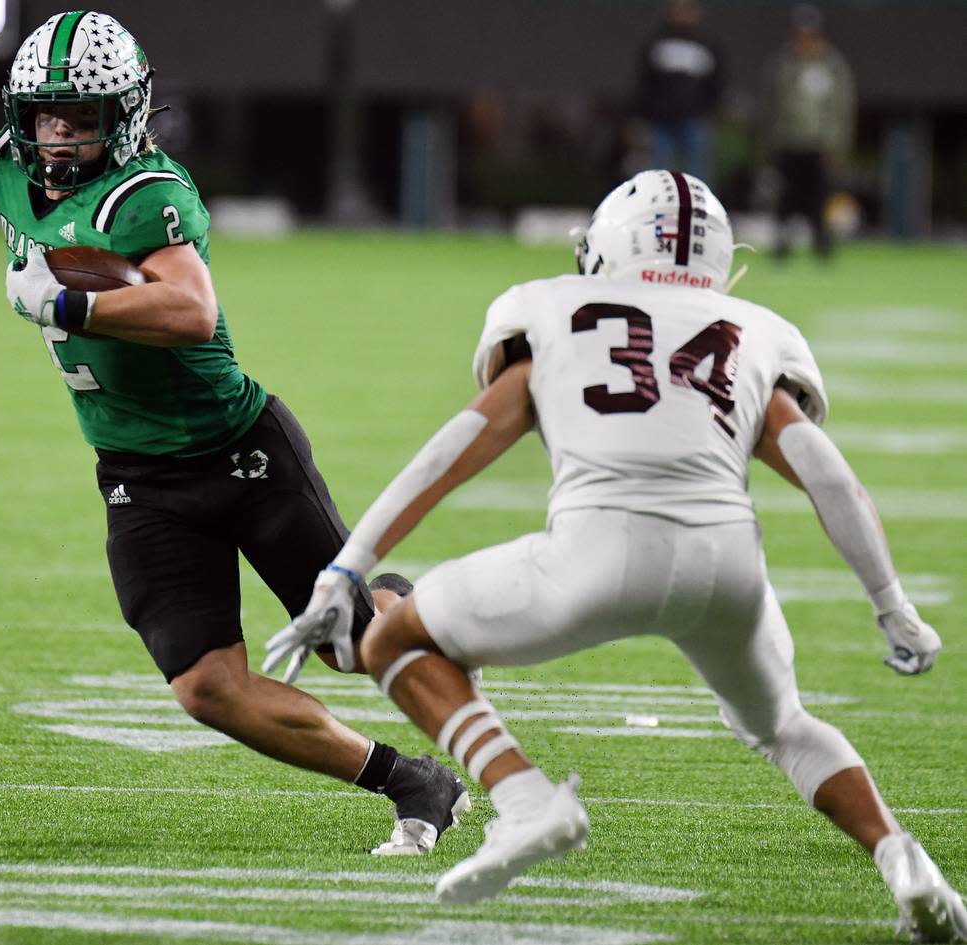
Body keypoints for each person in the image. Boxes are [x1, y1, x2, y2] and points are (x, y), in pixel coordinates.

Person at [266, 169, 967, 940]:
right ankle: (905, 862)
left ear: (605, 247)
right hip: (725, 567)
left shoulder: (552, 313)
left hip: (593, 556)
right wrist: (892, 604)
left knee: (393, 636)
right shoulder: (749, 335)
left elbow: (455, 450)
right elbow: (830, 478)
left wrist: (347, 565)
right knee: (785, 726)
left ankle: (525, 799)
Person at [0, 13, 468, 856]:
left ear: (127, 115)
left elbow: (191, 311)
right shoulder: (12, 171)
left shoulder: (149, 193)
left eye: (81, 116)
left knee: (355, 649)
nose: (60, 133)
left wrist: (65, 301)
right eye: (46, 115)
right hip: (139, 477)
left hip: (240, 453)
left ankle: (413, 610)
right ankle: (408, 778)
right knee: (205, 687)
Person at [760, 4, 855, 259]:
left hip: (819, 144)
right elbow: (772, 103)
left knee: (819, 197)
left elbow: (841, 107)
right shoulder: (783, 63)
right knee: (786, 197)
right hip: (789, 141)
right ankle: (782, 244)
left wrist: (836, 144)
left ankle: (822, 245)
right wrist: (771, 141)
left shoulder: (832, 66)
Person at [635, 0, 723, 184]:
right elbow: (645, 81)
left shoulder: (707, 45)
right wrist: (643, 113)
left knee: (698, 168)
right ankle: (655, 208)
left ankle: (699, 208)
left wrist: (710, 109)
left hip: (694, 117)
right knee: (656, 170)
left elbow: (717, 82)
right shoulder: (657, 42)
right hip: (660, 118)